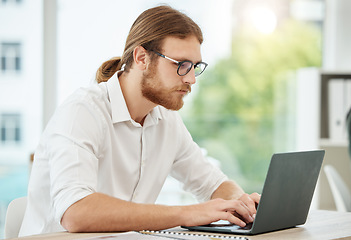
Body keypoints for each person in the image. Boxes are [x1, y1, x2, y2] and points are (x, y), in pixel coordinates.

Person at [19, 5, 260, 237]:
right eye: (181, 65)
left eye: (194, 67)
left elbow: (213, 183)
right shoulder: (83, 111)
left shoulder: (166, 119)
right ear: (142, 58)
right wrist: (186, 214)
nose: (191, 80)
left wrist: (242, 203)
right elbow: (76, 212)